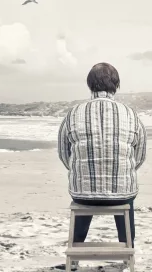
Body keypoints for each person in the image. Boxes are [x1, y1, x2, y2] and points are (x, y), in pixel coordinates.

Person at [57, 62, 147, 247]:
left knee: (85, 191)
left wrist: (81, 169)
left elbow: (64, 153)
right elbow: (140, 155)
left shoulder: (73, 113)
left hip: (82, 193)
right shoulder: (130, 114)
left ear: (90, 84)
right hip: (123, 193)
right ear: (116, 85)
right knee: (125, 197)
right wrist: (124, 168)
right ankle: (127, 249)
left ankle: (74, 254)